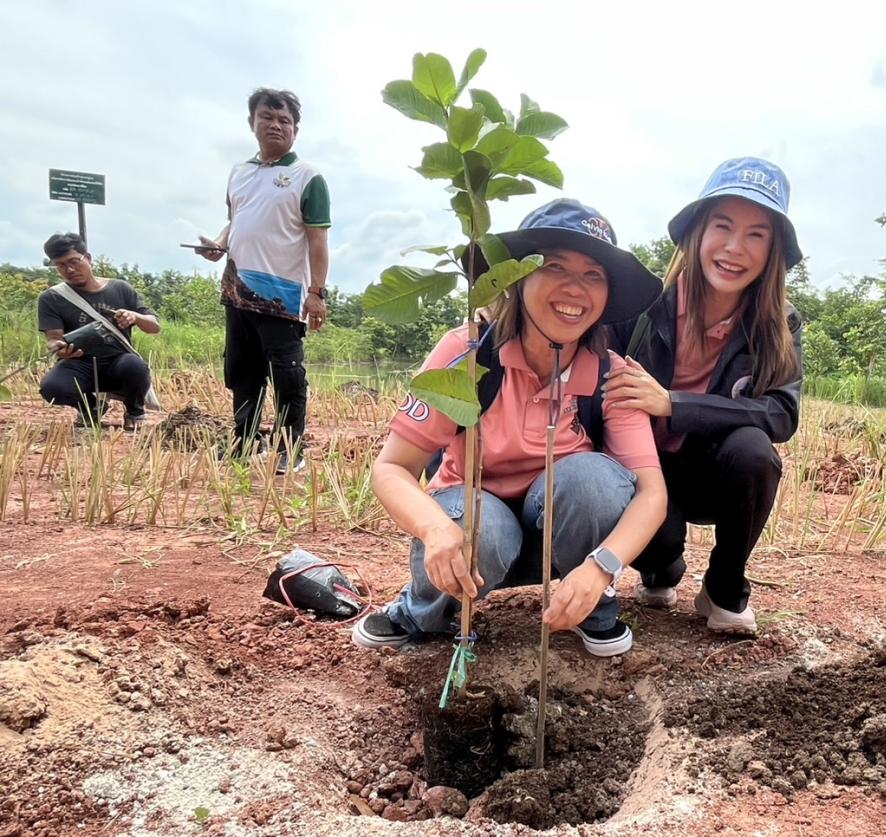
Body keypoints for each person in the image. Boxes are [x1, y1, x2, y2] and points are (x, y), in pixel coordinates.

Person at [352, 199, 667, 658]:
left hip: (561, 534)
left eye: (592, 274)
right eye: (555, 266)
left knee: (594, 481)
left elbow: (652, 494)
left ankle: (591, 605)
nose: (574, 288)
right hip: (475, 526)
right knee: (482, 528)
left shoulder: (611, 375)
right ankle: (426, 612)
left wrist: (602, 567)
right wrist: (435, 529)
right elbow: (392, 468)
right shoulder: (467, 354)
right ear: (517, 277)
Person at [605, 157, 803, 636]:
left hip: (717, 469)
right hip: (645, 468)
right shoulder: (642, 305)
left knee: (756, 452)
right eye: (723, 226)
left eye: (757, 234)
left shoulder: (780, 324)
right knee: (658, 550)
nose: (736, 248)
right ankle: (663, 566)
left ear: (774, 249)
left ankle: (723, 586)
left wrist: (673, 403)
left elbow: (782, 412)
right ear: (696, 230)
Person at [197, 87, 330, 474]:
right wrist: (219, 244)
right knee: (241, 370)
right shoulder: (239, 173)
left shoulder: (308, 177)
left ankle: (291, 448)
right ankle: (245, 440)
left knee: (287, 373)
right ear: (252, 122)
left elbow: (318, 239)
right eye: (267, 117)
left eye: (284, 120)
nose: (275, 125)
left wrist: (317, 293)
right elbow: (237, 220)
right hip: (237, 291)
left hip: (283, 297)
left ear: (295, 130)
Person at [37, 233, 158, 430]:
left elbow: (154, 326)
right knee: (52, 387)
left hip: (118, 362)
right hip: (79, 363)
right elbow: (53, 338)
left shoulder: (120, 288)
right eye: (61, 265)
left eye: (74, 261)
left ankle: (134, 410)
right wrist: (59, 348)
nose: (69, 269)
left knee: (135, 366)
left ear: (88, 258)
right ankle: (91, 408)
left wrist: (135, 317)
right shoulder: (52, 298)